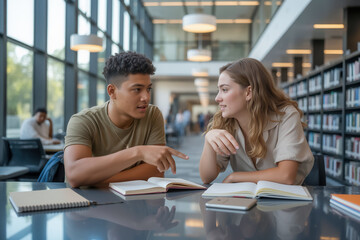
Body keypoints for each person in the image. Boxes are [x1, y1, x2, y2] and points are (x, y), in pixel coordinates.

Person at [64, 51, 188, 188]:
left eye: (148, 89)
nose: (146, 97)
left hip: (134, 204)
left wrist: (95, 180)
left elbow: (156, 172)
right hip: (87, 204)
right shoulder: (83, 121)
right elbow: (75, 175)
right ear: (112, 91)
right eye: (137, 90)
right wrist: (138, 152)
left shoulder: (152, 115)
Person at [199, 58, 314, 185]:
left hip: (285, 200)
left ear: (248, 92)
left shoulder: (287, 115)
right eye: (218, 90)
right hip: (246, 200)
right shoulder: (227, 121)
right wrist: (208, 139)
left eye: (225, 90)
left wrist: (235, 177)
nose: (217, 98)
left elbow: (286, 176)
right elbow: (206, 177)